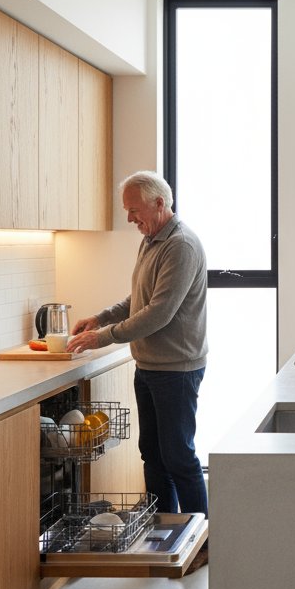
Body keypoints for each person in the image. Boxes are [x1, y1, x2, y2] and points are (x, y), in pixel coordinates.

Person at [67, 171, 208, 517]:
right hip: (149, 366)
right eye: (127, 210)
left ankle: (203, 540)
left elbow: (158, 313)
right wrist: (100, 318)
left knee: (179, 457)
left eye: (135, 210)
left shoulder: (181, 246)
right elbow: (140, 298)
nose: (130, 218)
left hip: (176, 369)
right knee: (153, 455)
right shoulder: (152, 239)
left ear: (160, 204)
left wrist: (101, 338)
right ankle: (165, 529)